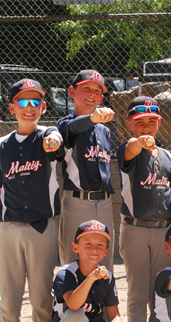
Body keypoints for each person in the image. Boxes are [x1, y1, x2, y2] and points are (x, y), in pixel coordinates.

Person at [0, 78, 65, 322]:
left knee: (42, 290)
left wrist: (53, 141)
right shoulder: (1, 145)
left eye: (35, 102)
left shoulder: (48, 135)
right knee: (9, 291)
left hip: (42, 226)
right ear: (12, 107)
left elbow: (56, 142)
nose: (29, 108)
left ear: (43, 106)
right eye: (23, 102)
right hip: (9, 228)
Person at [115, 95, 171, 322]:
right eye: (140, 122)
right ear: (130, 124)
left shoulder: (166, 156)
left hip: (163, 229)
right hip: (135, 229)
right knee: (139, 292)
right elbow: (130, 150)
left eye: (152, 121)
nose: (146, 127)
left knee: (161, 291)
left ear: (159, 123)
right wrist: (138, 142)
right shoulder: (127, 149)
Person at [52, 220, 145, 322]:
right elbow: (74, 305)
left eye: (100, 245)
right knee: (75, 315)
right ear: (75, 247)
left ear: (107, 250)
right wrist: (92, 278)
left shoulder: (107, 276)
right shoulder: (66, 273)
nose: (94, 249)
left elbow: (114, 315)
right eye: (88, 244)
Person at [56, 70, 117, 272]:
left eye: (97, 91)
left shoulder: (104, 130)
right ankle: (73, 304)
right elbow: (74, 128)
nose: (92, 94)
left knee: (104, 263)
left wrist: (96, 120)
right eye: (86, 89)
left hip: (105, 203)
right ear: (72, 92)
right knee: (74, 262)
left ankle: (100, 303)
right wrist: (92, 118)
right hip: (77, 201)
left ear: (101, 97)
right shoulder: (65, 124)